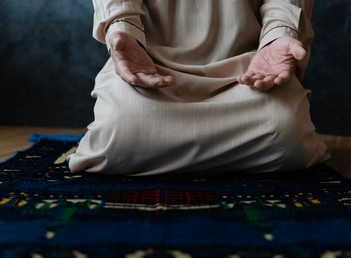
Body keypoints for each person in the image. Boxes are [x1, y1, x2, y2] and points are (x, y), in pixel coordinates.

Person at [68, 0, 329, 175]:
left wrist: (280, 33)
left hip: (248, 68)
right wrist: (121, 26)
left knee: (286, 133)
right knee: (118, 131)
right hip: (151, 63)